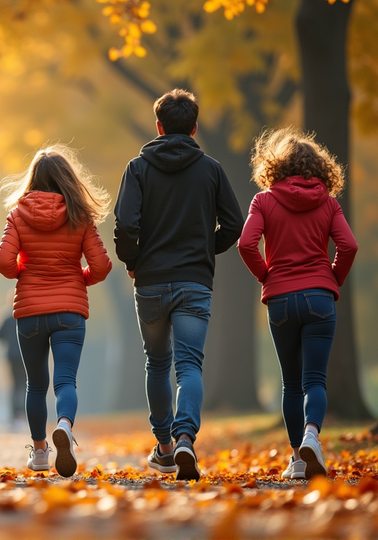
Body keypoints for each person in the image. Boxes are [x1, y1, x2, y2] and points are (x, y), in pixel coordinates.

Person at [113, 89, 244, 481]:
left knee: (157, 362)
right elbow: (235, 225)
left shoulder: (138, 168)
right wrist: (206, 250)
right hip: (194, 281)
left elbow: (125, 226)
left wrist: (133, 262)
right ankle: (186, 437)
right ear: (195, 127)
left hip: (150, 282)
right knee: (190, 365)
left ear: (158, 125)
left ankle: (165, 446)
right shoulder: (212, 170)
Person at [237, 127, 357, 480]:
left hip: (281, 300)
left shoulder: (263, 201)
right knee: (314, 379)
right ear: (320, 168)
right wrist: (333, 278)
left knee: (290, 383)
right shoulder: (329, 203)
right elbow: (349, 246)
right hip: (320, 297)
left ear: (276, 166)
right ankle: (311, 436)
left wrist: (266, 276)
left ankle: (298, 459)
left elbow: (246, 244)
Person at [0, 144, 112, 478]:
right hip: (70, 310)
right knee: (65, 381)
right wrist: (79, 280)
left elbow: (3, 261)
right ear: (68, 179)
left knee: (34, 384)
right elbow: (102, 265)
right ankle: (64, 425)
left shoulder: (18, 214)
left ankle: (41, 451)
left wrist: (23, 274)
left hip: (30, 311)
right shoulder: (80, 216)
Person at [0, 290, 25, 432]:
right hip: (25, 355)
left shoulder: (7, 317)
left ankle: (14, 417)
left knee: (14, 385)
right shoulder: (26, 316)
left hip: (11, 355)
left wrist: (7, 339)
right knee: (25, 385)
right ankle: (23, 416)